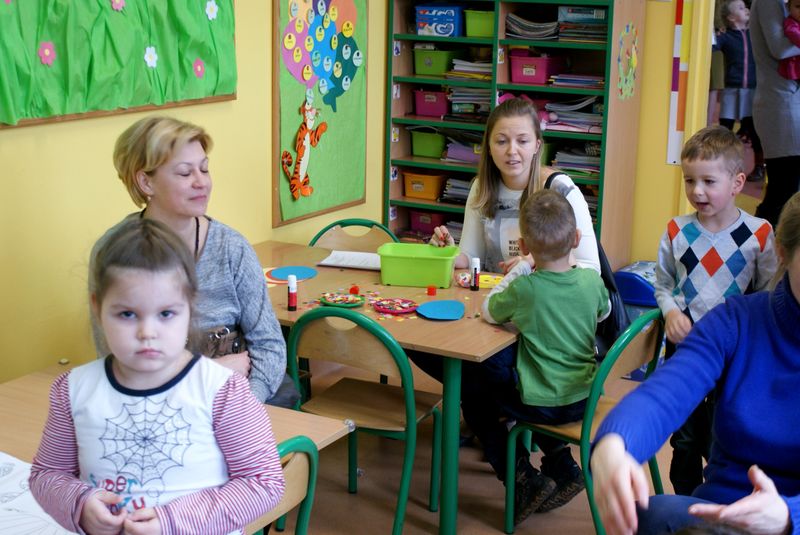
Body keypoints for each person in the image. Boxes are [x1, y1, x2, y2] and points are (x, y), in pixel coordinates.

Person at [30, 218, 285, 535]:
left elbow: (263, 482)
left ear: (190, 306)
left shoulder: (223, 390)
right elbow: (47, 474)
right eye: (127, 314)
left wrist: (172, 522)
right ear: (97, 308)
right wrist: (79, 504)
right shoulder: (71, 390)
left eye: (165, 313)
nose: (147, 332)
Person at [590, 190, 800, 535]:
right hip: (718, 513)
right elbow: (667, 391)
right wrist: (616, 444)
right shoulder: (738, 321)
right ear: (783, 253)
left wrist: (789, 516)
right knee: (650, 514)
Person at [91, 116, 297, 407]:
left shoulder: (232, 248)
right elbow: (114, 359)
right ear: (146, 181)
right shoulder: (113, 252)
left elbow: (269, 346)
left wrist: (244, 408)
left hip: (240, 398)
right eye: (185, 173)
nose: (202, 183)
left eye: (205, 169)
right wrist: (208, 373)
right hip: (156, 405)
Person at [412, 97, 600, 385]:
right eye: (501, 141)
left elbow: (591, 271)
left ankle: (492, 408)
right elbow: (470, 257)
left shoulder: (561, 190)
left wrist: (537, 261)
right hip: (498, 312)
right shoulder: (481, 188)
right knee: (423, 343)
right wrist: (448, 252)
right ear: (488, 146)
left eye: (522, 141)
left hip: (543, 321)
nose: (512, 151)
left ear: (537, 145)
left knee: (478, 367)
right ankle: (484, 407)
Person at [464, 189, 610, 526]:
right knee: (537, 381)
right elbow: (604, 313)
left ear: (524, 247)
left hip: (544, 403)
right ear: (576, 239)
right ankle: (562, 466)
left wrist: (519, 270)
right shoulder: (591, 280)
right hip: (585, 398)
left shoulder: (526, 289)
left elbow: (489, 310)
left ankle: (522, 479)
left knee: (475, 399)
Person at [654, 125, 777, 496]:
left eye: (709, 181)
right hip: (687, 351)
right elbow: (663, 285)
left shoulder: (759, 234)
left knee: (724, 435)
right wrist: (670, 313)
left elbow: (768, 295)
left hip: (736, 355)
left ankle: (719, 502)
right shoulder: (676, 230)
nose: (697, 191)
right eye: (690, 180)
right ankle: (685, 506)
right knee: (685, 440)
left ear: (737, 182)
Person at [750, 0, 800, 226]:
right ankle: (751, 244)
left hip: (788, 102)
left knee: (788, 189)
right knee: (783, 190)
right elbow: (780, 48)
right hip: (780, 104)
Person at [714, 0, 766, 182]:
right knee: (725, 128)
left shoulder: (755, 34)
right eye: (741, 8)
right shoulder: (726, 37)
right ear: (731, 17)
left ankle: (759, 166)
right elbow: (712, 44)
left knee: (754, 130)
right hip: (732, 89)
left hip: (752, 89)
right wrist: (716, 32)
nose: (747, 10)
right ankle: (719, 163)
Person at [778, 0, 800, 79]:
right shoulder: (790, 22)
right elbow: (793, 32)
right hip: (795, 66)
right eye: (798, 6)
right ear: (788, 7)